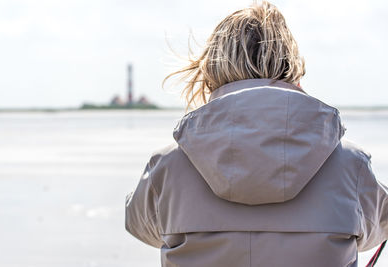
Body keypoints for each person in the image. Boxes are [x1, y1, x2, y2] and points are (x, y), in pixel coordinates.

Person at [125, 1, 388, 266]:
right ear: (290, 66)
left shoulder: (167, 166)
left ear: (212, 69)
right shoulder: (350, 164)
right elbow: (380, 226)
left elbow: (139, 225)